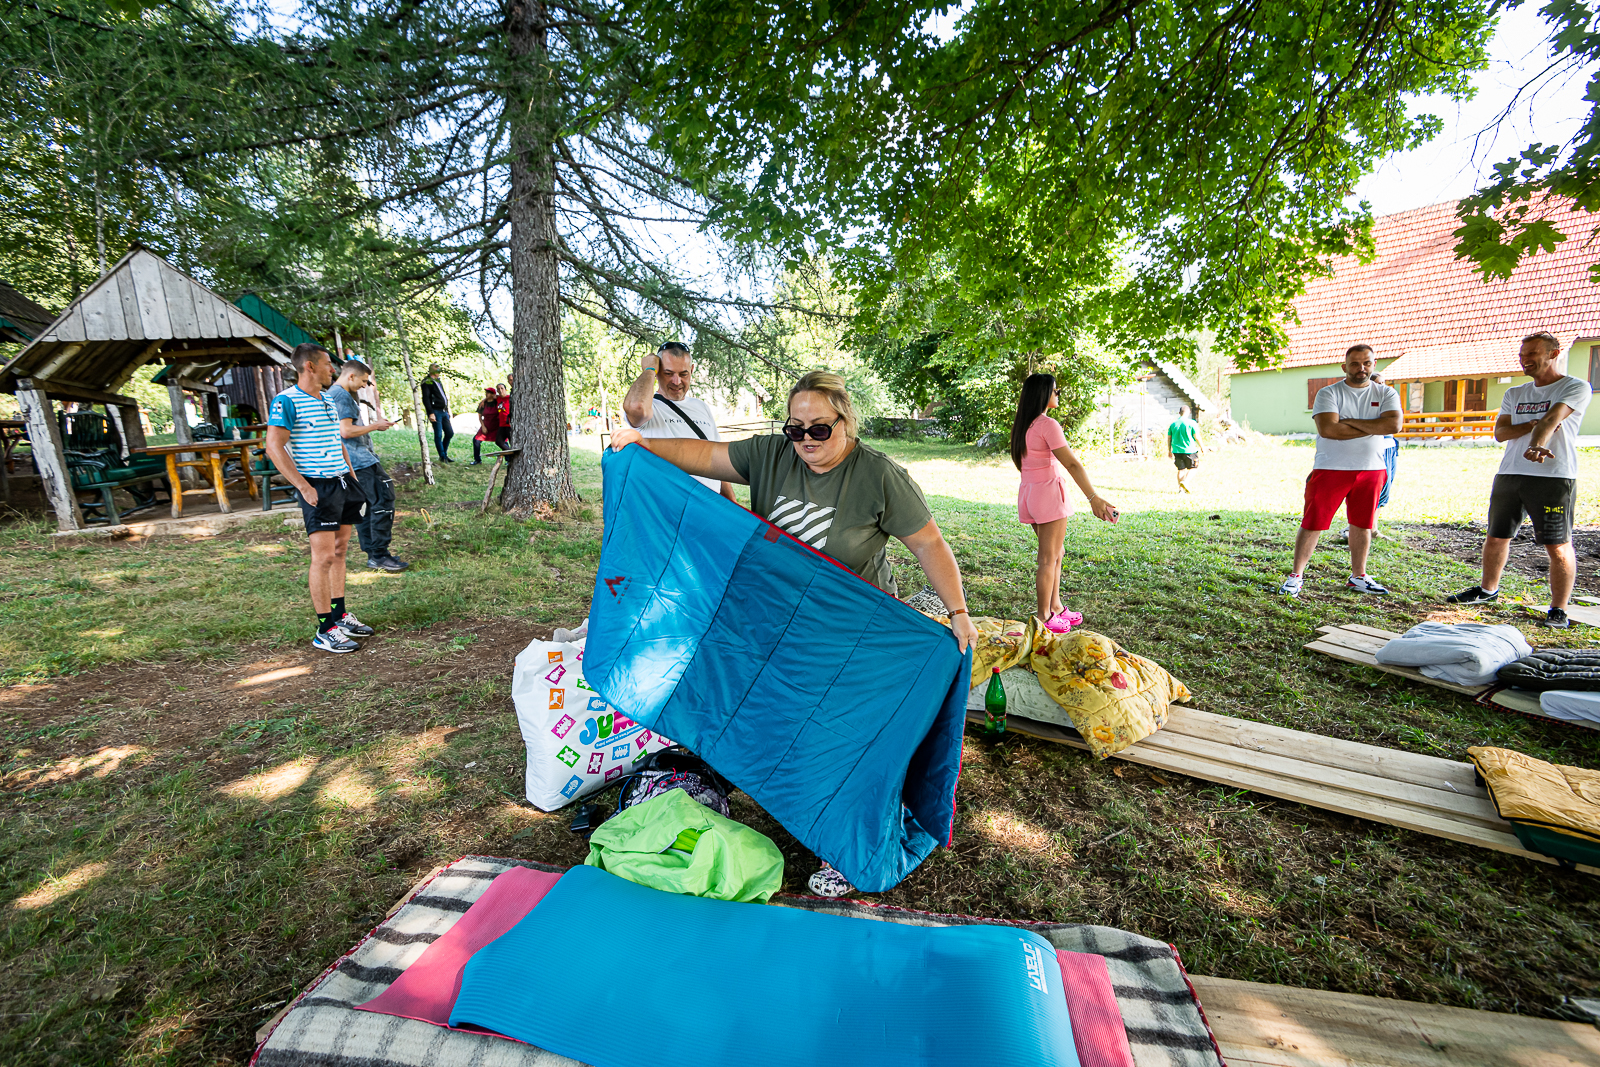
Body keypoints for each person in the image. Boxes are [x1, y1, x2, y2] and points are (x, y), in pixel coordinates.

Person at [610, 370, 978, 898]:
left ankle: (844, 846)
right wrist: (643, 444)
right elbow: (705, 456)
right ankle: (750, 788)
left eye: (819, 429)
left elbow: (928, 544)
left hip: (853, 633)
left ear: (846, 422)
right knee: (775, 714)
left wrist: (958, 611)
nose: (806, 439)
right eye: (795, 428)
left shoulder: (879, 476)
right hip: (778, 621)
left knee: (842, 737)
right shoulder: (771, 455)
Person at [1446, 331, 1592, 627]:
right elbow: (1501, 433)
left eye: (1532, 354)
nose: (1525, 360)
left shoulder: (1574, 386)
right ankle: (1488, 590)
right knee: (1496, 536)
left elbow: (1553, 418)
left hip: (1553, 476)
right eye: (1522, 355)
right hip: (1510, 474)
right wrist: (1531, 425)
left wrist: (1536, 443)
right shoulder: (1515, 393)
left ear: (1553, 353)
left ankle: (1558, 610)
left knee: (1558, 544)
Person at [265, 343, 377, 653]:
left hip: (342, 481)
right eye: (328, 364)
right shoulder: (286, 401)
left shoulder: (328, 399)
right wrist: (303, 487)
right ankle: (325, 629)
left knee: (340, 551)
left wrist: (352, 476)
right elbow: (274, 447)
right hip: (317, 485)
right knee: (324, 556)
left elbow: (335, 440)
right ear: (310, 366)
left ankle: (340, 616)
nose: (333, 369)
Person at [1277, 345, 1401, 597]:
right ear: (1345, 367)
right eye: (1355, 364)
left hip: (1372, 468)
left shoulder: (1386, 393)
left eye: (1366, 363)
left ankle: (1358, 576)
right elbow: (1329, 430)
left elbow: (1393, 425)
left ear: (1373, 364)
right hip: (1331, 468)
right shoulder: (1328, 393)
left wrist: (1349, 422)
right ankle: (1296, 576)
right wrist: (1374, 425)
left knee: (1362, 524)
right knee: (1313, 522)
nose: (1361, 368)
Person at [1009, 373, 1119, 633]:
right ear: (1043, 394)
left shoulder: (1023, 425)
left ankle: (1056, 607)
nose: (1058, 394)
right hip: (1048, 495)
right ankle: (1044, 616)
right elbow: (1072, 464)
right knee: (1048, 558)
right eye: (1055, 390)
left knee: (1057, 553)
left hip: (1030, 495)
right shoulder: (1047, 424)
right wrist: (1094, 498)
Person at [622, 341, 737, 502]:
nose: (676, 381)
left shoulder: (701, 407)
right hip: (670, 506)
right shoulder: (649, 407)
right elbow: (636, 407)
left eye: (683, 374)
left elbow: (716, 457)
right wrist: (649, 369)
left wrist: (732, 502)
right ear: (658, 372)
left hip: (708, 506)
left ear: (692, 370)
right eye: (668, 373)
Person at [328, 358, 409, 573]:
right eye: (363, 381)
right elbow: (345, 431)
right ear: (351, 376)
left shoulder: (334, 394)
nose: (364, 385)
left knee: (367, 507)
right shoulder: (341, 396)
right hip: (360, 460)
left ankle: (374, 555)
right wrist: (375, 425)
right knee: (383, 500)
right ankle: (379, 554)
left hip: (354, 460)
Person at [1167, 404, 1203, 492]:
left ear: (1179, 413)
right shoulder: (1191, 423)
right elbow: (1196, 436)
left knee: (1181, 469)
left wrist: (1169, 450)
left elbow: (1169, 438)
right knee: (1194, 467)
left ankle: (1181, 490)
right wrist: (1202, 447)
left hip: (1177, 451)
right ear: (1188, 412)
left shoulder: (1173, 424)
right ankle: (1185, 482)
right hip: (1190, 450)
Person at [421, 364, 453, 462]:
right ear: (432, 371)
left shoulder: (438, 381)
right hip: (435, 411)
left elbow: (442, 395)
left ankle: (444, 454)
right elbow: (426, 398)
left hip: (444, 411)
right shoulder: (427, 381)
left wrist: (447, 409)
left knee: (449, 433)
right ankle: (443, 456)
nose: (439, 372)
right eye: (437, 371)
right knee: (438, 435)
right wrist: (430, 413)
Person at [472, 386, 501, 464]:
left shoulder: (497, 402)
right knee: (476, 440)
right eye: (486, 392)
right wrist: (483, 426)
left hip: (497, 426)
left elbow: (503, 397)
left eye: (488, 393)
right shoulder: (483, 404)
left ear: (493, 394)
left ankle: (508, 459)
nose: (486, 394)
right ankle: (477, 460)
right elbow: (480, 416)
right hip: (486, 425)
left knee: (502, 442)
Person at [494, 382, 512, 447]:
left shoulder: (509, 398)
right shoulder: (498, 398)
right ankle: (509, 452)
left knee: (512, 442)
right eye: (498, 389)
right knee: (498, 441)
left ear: (505, 389)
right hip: (502, 425)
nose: (500, 390)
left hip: (509, 424)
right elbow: (489, 397)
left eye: (502, 388)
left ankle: (512, 452)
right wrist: (483, 401)